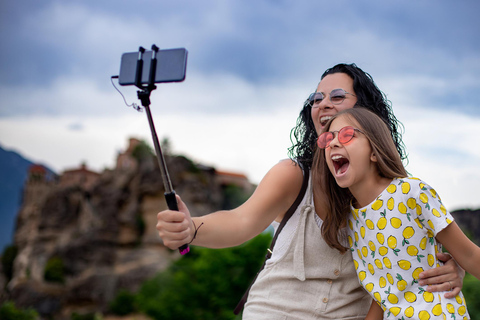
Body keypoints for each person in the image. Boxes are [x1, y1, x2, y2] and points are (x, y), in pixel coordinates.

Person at [156, 63, 464, 319]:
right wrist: (191, 228)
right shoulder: (293, 175)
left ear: (368, 117)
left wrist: (455, 269)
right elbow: (240, 222)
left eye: (338, 96)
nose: (323, 103)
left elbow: (418, 257)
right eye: (316, 99)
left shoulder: (397, 194)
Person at [313, 107, 479, 319]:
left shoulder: (411, 192)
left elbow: (469, 255)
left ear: (374, 151)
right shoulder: (351, 218)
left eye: (347, 135)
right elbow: (384, 294)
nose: (333, 143)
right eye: (328, 139)